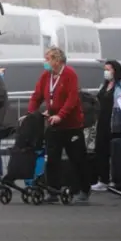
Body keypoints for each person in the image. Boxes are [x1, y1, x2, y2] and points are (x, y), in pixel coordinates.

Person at [28, 47, 92, 203]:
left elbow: (72, 99)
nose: (46, 62)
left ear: (57, 60)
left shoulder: (69, 74)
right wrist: (32, 113)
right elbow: (37, 96)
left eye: (48, 59)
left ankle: (83, 189)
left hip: (71, 125)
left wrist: (60, 115)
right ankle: (53, 190)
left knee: (77, 159)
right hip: (53, 125)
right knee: (52, 159)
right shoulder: (46, 76)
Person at [91, 60, 121, 191]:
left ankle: (117, 180)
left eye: (109, 69)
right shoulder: (105, 84)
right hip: (102, 120)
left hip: (115, 121)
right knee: (101, 149)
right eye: (105, 69)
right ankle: (103, 179)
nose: (106, 72)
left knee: (115, 151)